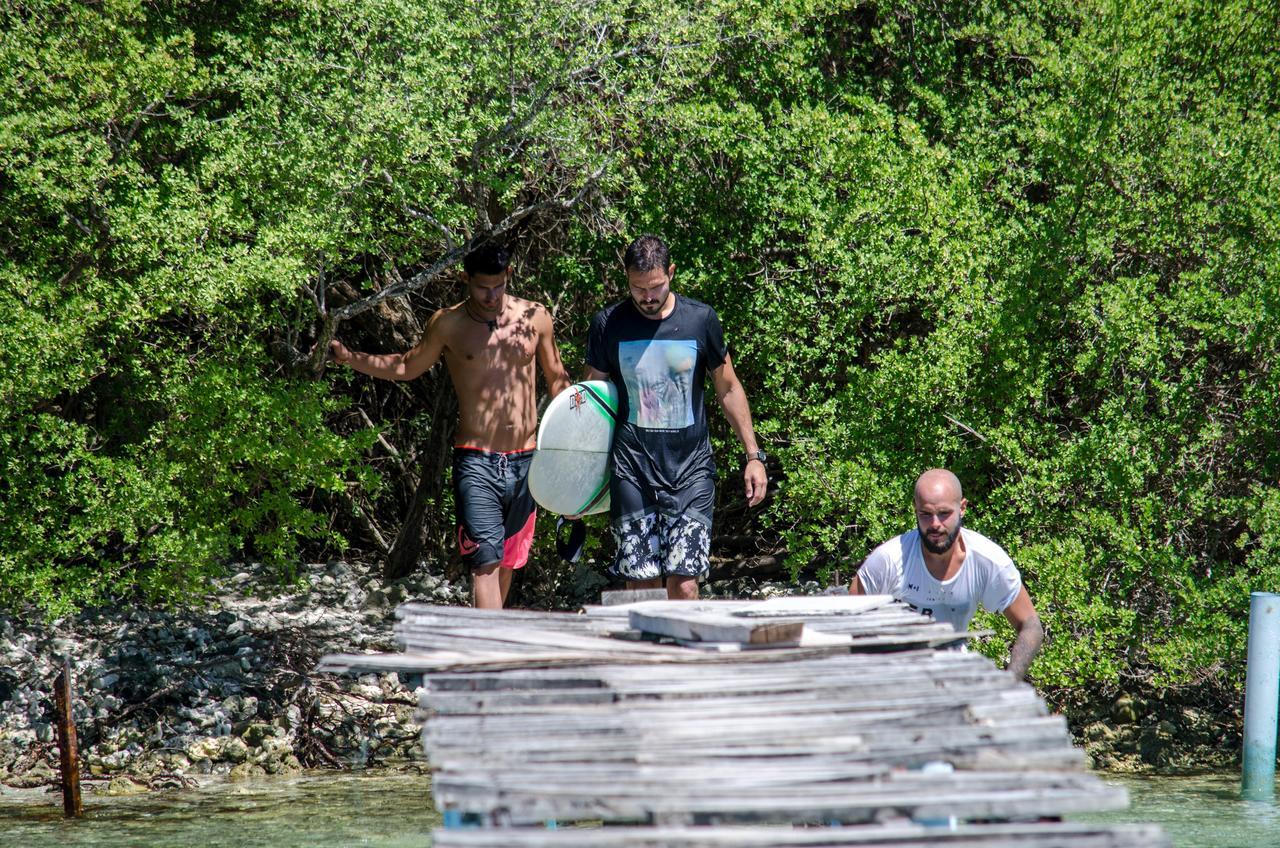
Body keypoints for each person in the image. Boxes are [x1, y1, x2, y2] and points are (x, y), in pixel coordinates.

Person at [327, 243, 571, 609]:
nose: (490, 296)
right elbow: (407, 367)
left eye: (498, 286)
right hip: (476, 460)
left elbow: (557, 379)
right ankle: (489, 660)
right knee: (484, 563)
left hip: (527, 461)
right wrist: (350, 359)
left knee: (508, 562)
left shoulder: (534, 317)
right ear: (465, 280)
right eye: (481, 287)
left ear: (508, 277)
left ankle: (487, 646)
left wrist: (576, 430)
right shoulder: (448, 323)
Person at [583, 235, 768, 600]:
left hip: (691, 469)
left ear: (671, 273)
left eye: (656, 287)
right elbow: (589, 401)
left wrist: (753, 456)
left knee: (684, 580)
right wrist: (578, 483)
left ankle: (684, 658)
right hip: (631, 469)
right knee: (639, 580)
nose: (648, 297)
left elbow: (728, 388)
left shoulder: (700, 320)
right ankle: (648, 658)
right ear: (626, 280)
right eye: (639, 289)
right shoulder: (608, 324)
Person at [850, 468, 1044, 680]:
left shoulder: (987, 561)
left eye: (944, 514)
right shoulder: (889, 559)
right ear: (915, 510)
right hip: (892, 674)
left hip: (952, 672)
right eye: (925, 514)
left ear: (962, 508)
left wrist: (1011, 680)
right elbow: (848, 619)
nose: (935, 525)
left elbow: (1031, 626)